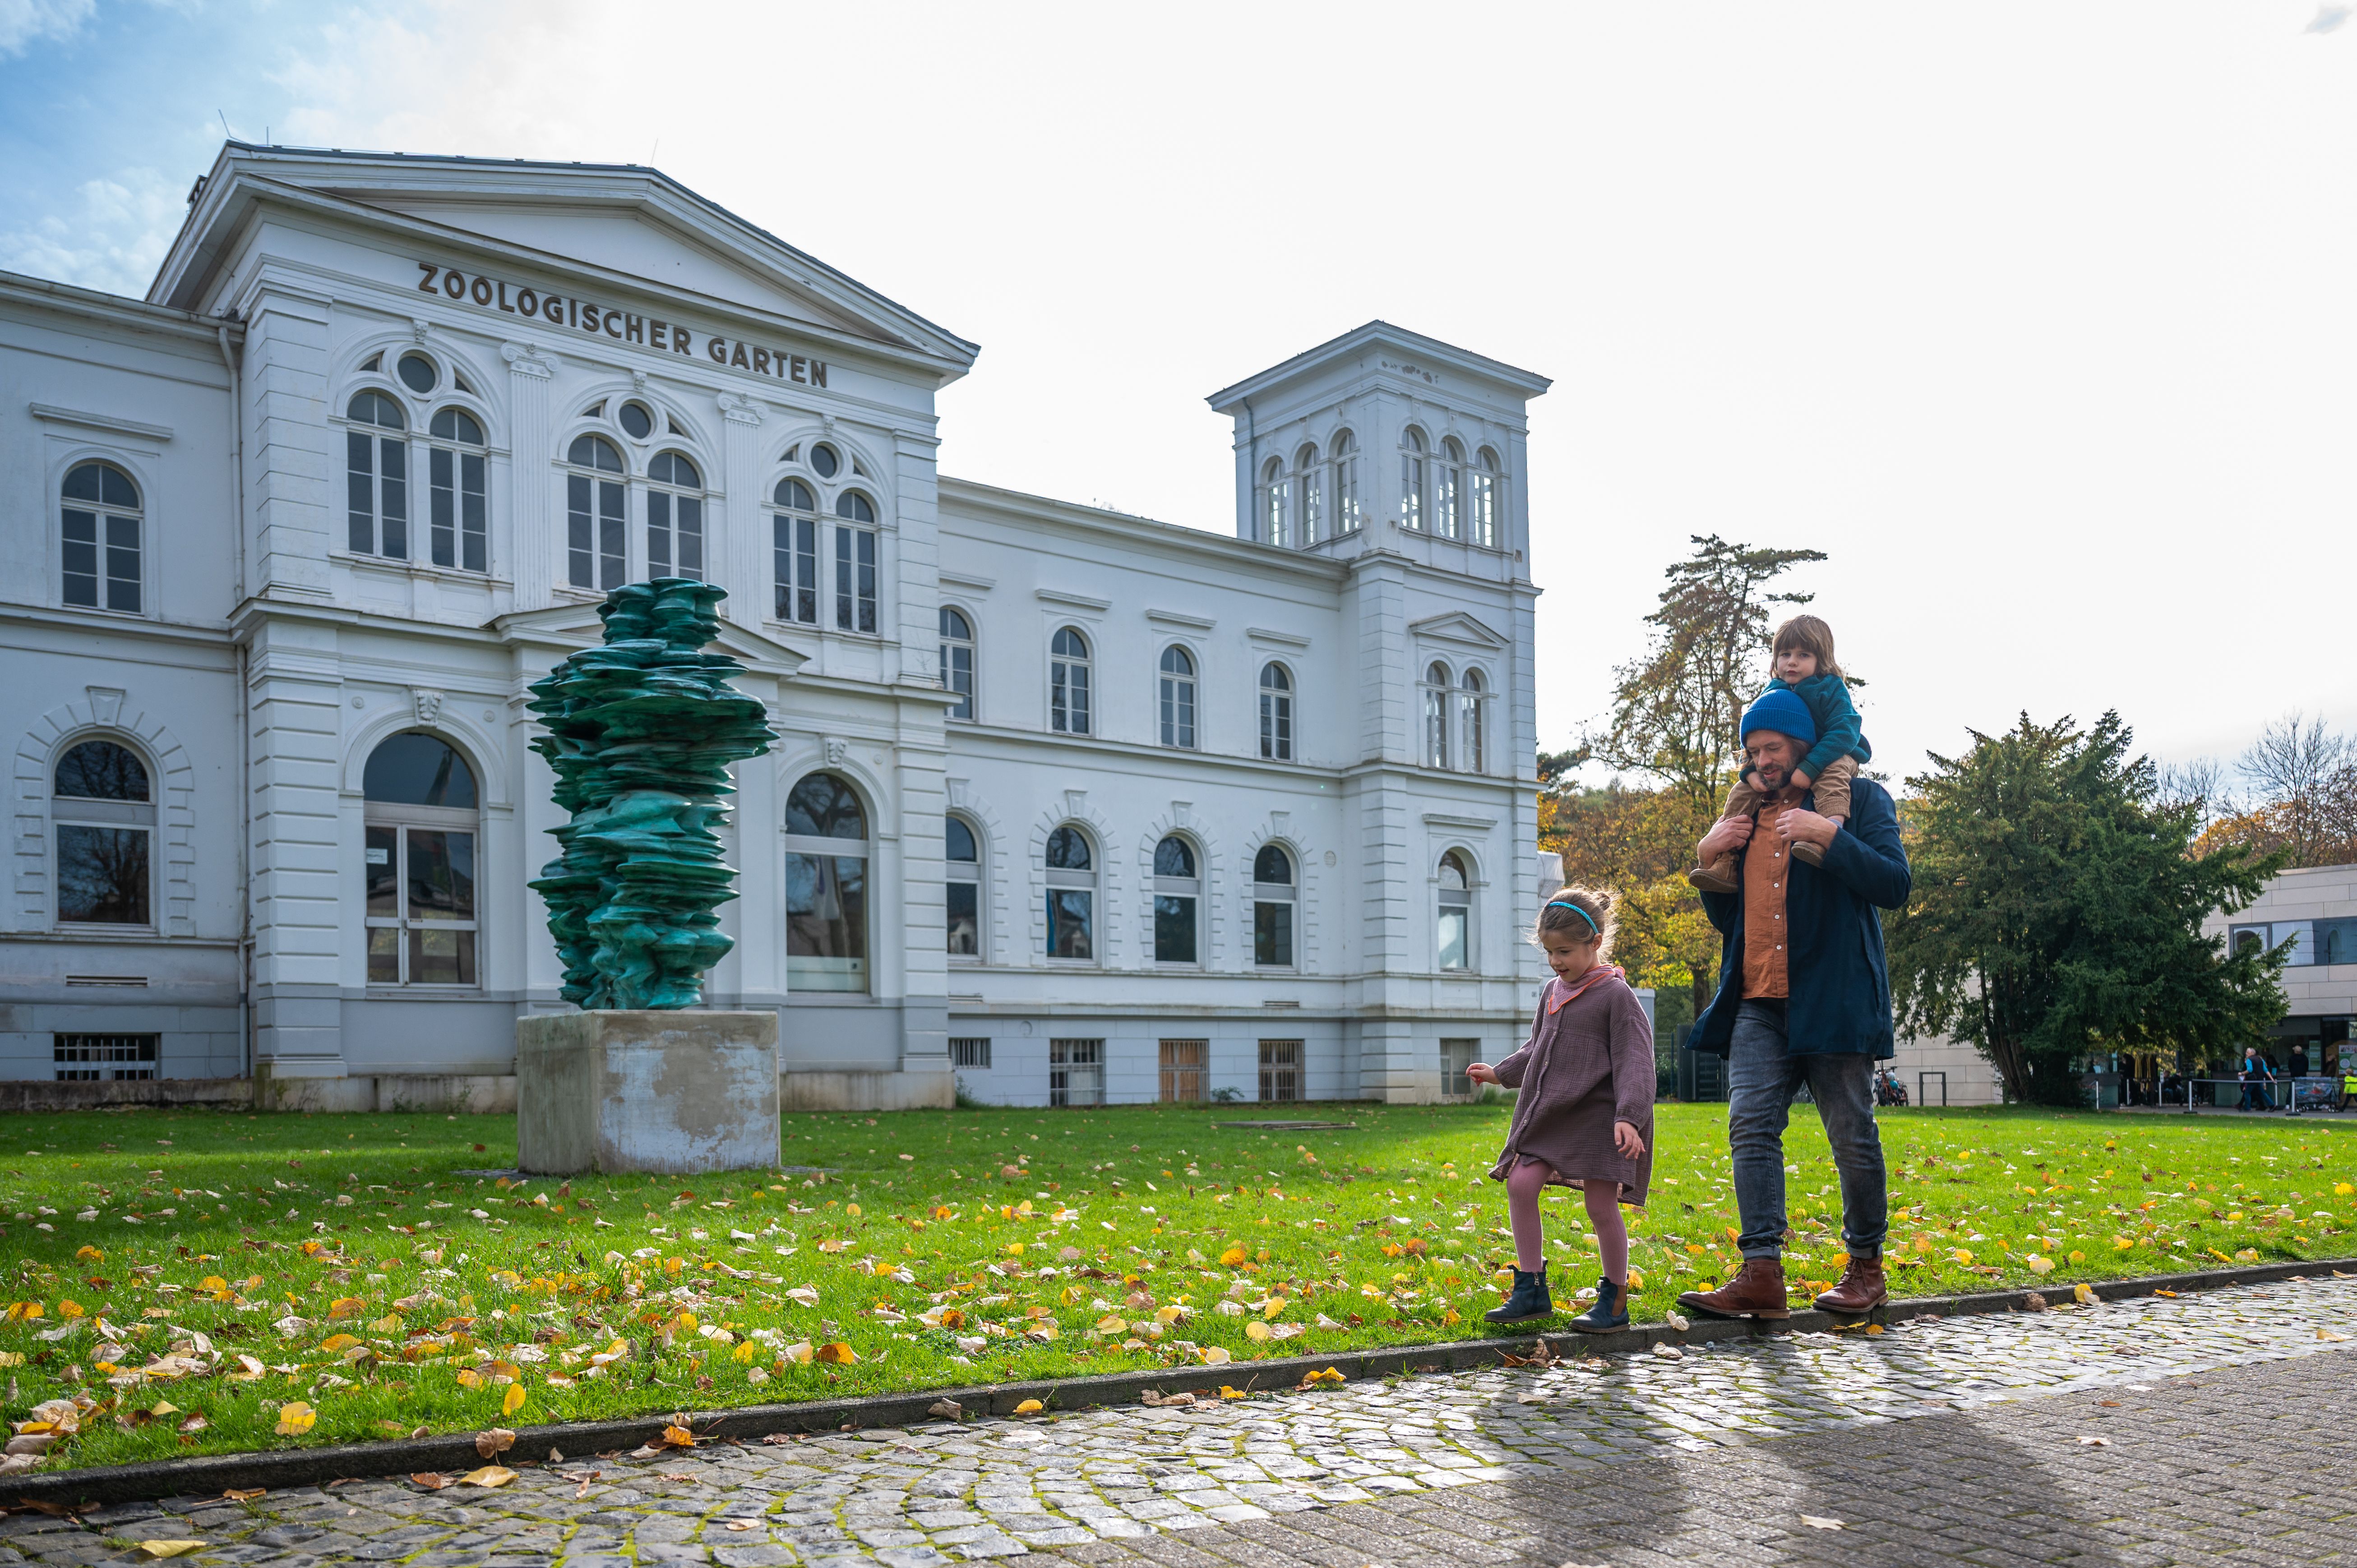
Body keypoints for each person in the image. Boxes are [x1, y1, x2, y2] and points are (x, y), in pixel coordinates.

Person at [1674, 693, 1912, 1320]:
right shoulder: (1749, 811)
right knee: (1750, 1126)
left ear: (1803, 744)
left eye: (1772, 748)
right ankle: (1761, 1274)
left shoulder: (1860, 800)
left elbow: (1895, 885)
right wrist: (1708, 859)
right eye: (1752, 751)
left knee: (1852, 1138)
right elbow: (1734, 919)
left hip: (1835, 1000)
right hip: (1757, 1001)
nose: (1762, 760)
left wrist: (1829, 838)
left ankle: (1865, 1268)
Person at [1465, 887, 1655, 1334]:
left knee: (1599, 1204)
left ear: (1596, 941)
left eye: (1565, 951)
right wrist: (1501, 1072)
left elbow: (1637, 1061)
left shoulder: (1615, 995)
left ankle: (1613, 1298)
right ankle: (1530, 1288)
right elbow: (1538, 1047)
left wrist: (1628, 1115)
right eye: (1549, 952)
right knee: (1521, 1181)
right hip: (1550, 1113)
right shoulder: (1552, 990)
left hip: (1599, 1120)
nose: (1556, 961)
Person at [1691, 615, 1870, 893]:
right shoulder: (1773, 691)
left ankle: (1826, 834)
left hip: (1836, 751)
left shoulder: (1830, 688)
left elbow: (1846, 731)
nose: (1792, 662)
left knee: (1832, 777)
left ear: (1821, 660)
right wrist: (1749, 772)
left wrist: (1810, 767)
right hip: (1795, 765)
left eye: (1803, 655)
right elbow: (1754, 738)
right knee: (1740, 792)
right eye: (1785, 654)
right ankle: (1725, 861)